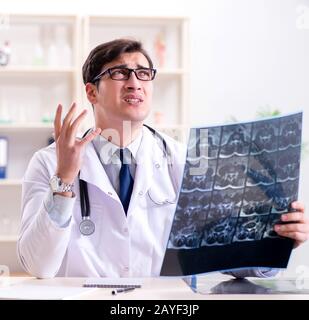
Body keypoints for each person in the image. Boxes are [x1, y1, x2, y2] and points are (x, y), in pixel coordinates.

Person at [18, 39, 309, 278]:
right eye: (119, 73)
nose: (135, 82)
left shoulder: (183, 159)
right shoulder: (47, 164)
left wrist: (276, 244)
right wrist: (65, 180)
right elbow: (38, 266)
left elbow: (217, 253)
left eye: (144, 73)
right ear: (92, 92)